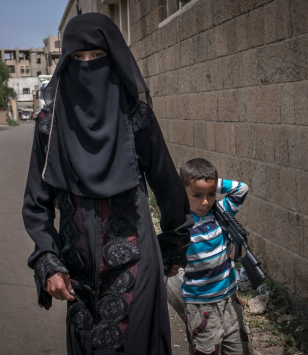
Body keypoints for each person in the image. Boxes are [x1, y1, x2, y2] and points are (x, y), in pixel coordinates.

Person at [22, 13, 193, 355]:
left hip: (135, 263)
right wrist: (48, 260)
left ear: (113, 58)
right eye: (78, 57)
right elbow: (36, 204)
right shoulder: (49, 126)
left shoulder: (137, 119)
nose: (87, 65)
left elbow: (167, 185)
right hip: (77, 273)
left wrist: (175, 244)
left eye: (97, 56)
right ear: (66, 63)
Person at [180, 158, 250, 355]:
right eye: (197, 195)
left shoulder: (220, 213)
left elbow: (242, 188)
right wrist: (186, 182)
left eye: (211, 195)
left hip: (230, 300)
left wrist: (210, 181)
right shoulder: (181, 225)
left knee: (239, 349)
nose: (205, 202)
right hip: (202, 307)